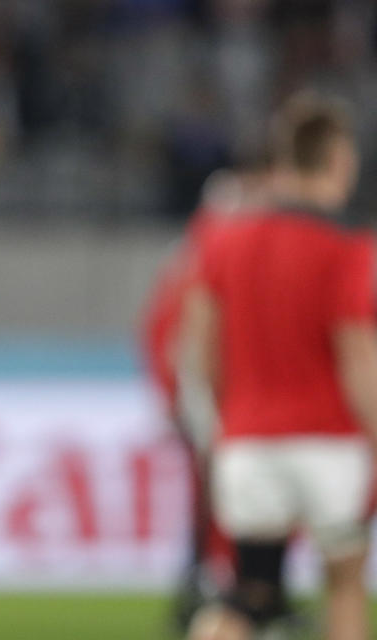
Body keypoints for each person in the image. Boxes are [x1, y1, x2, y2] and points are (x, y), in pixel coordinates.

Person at [182, 93, 377, 640]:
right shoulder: (345, 246)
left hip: (247, 443)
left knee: (251, 594)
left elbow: (200, 348)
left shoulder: (223, 239)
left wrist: (227, 419)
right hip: (329, 442)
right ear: (338, 159)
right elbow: (358, 356)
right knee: (343, 586)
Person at [141, 165, 269, 632]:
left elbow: (158, 335)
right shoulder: (212, 261)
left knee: (217, 504)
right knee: (224, 504)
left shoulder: (193, 260)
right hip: (217, 399)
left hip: (213, 398)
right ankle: (229, 592)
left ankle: (219, 588)